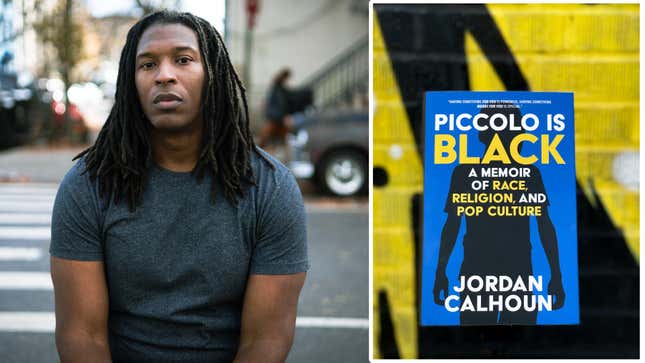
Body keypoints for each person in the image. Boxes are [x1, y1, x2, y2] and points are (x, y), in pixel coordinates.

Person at [49, 11, 308, 362]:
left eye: (183, 60)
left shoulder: (271, 189)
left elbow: (265, 340)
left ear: (212, 75)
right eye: (148, 65)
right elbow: (82, 334)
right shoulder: (88, 185)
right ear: (131, 82)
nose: (164, 75)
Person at [432, 105, 564, 325]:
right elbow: (545, 226)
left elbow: (545, 226)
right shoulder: (527, 173)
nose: (521, 137)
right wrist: (556, 277)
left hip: (498, 270)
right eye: (517, 131)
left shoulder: (466, 173)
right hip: (502, 270)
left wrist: (441, 273)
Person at [257, 68, 293, 152]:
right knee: (267, 137)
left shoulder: (279, 88)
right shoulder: (278, 89)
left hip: (276, 116)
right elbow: (279, 104)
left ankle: (265, 150)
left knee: (269, 137)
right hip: (276, 117)